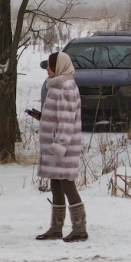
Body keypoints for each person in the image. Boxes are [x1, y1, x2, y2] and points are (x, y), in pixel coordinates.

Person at [35, 51, 88, 242]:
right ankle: (56, 228)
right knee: (56, 184)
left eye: (50, 65)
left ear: (59, 67)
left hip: (62, 148)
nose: (47, 69)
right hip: (55, 146)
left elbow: (66, 121)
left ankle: (80, 228)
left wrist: (59, 145)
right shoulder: (57, 85)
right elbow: (57, 116)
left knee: (66, 184)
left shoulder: (65, 87)